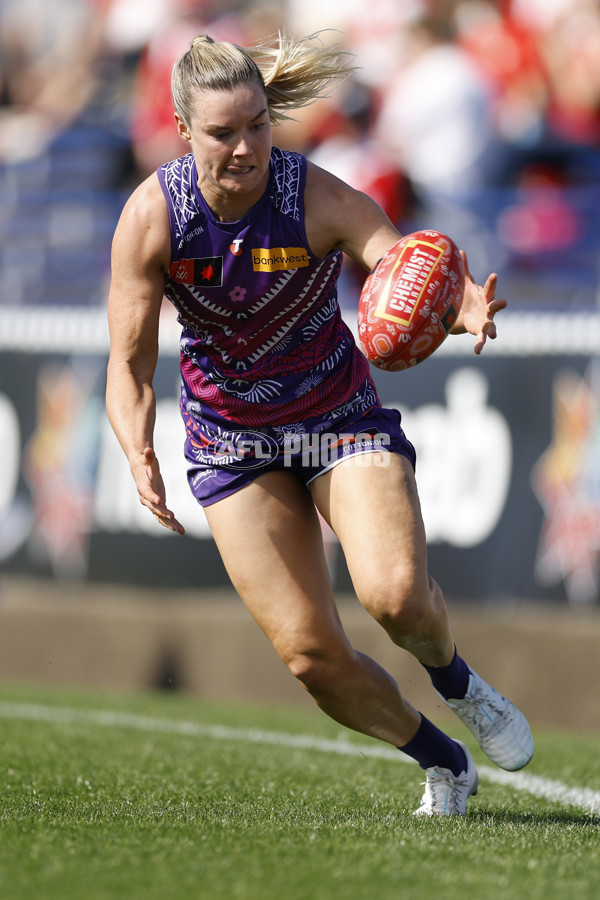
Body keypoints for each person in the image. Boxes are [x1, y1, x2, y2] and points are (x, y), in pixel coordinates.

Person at [106, 31, 534, 817]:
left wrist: (458, 300)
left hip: (337, 418)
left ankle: (458, 683)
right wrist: (137, 449)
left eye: (259, 125)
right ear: (182, 132)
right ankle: (444, 760)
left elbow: (404, 261)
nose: (247, 147)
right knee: (310, 657)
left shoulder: (314, 197)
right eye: (223, 132)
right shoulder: (150, 218)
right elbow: (128, 363)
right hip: (232, 441)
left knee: (398, 597)